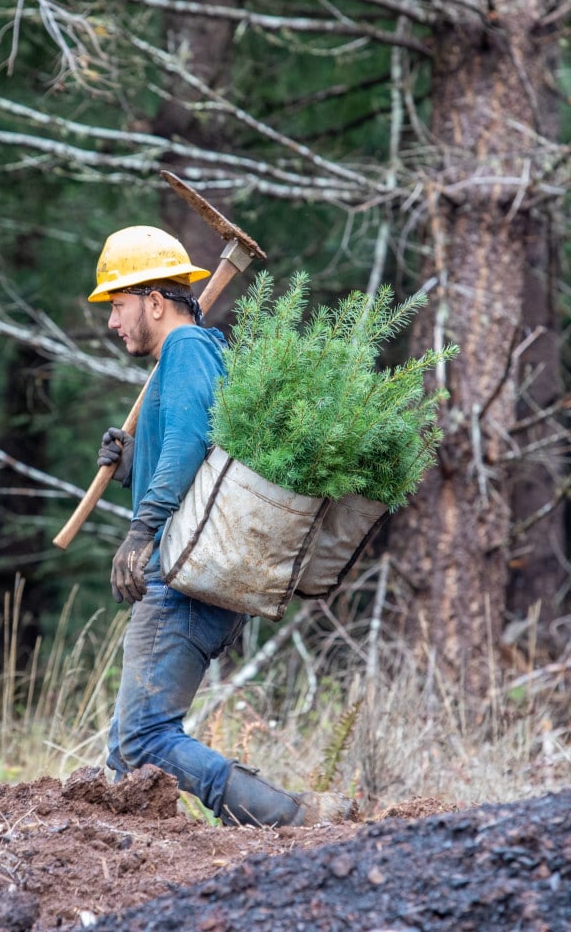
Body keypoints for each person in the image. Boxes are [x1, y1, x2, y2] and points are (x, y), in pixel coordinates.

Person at [88, 224, 356, 827]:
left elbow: (188, 441)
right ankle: (130, 856)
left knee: (144, 742)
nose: (112, 322)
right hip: (194, 577)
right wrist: (133, 465)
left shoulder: (186, 351)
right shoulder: (195, 357)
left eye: (118, 305)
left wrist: (141, 530)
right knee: (126, 752)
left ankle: (294, 818)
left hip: (179, 582)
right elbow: (193, 460)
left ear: (155, 302)